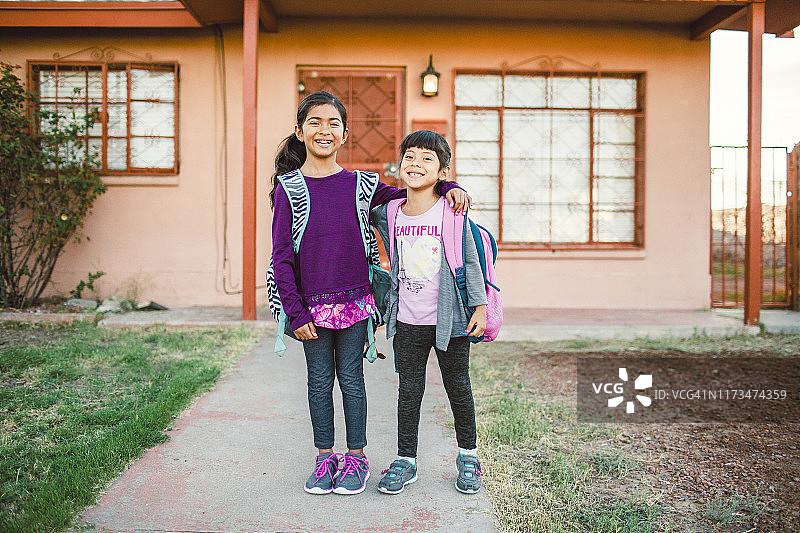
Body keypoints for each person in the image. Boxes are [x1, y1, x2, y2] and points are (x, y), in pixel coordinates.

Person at [270, 92, 470, 495]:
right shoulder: (287, 188)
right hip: (309, 309)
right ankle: (326, 458)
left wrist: (448, 184)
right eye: (315, 122)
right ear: (299, 131)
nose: (324, 130)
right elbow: (280, 257)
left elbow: (410, 193)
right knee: (318, 381)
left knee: (352, 380)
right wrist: (295, 312)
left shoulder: (362, 185)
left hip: (355, 304)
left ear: (345, 135)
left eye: (333, 124)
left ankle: (356, 458)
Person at [370, 130, 487, 495]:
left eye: (427, 159)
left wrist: (480, 306)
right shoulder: (388, 212)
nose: (416, 163)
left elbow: (470, 258)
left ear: (442, 171)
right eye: (410, 156)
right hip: (407, 321)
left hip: (451, 321)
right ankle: (407, 459)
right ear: (399, 164)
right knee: (409, 391)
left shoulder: (451, 213)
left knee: (458, 388)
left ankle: (468, 455)